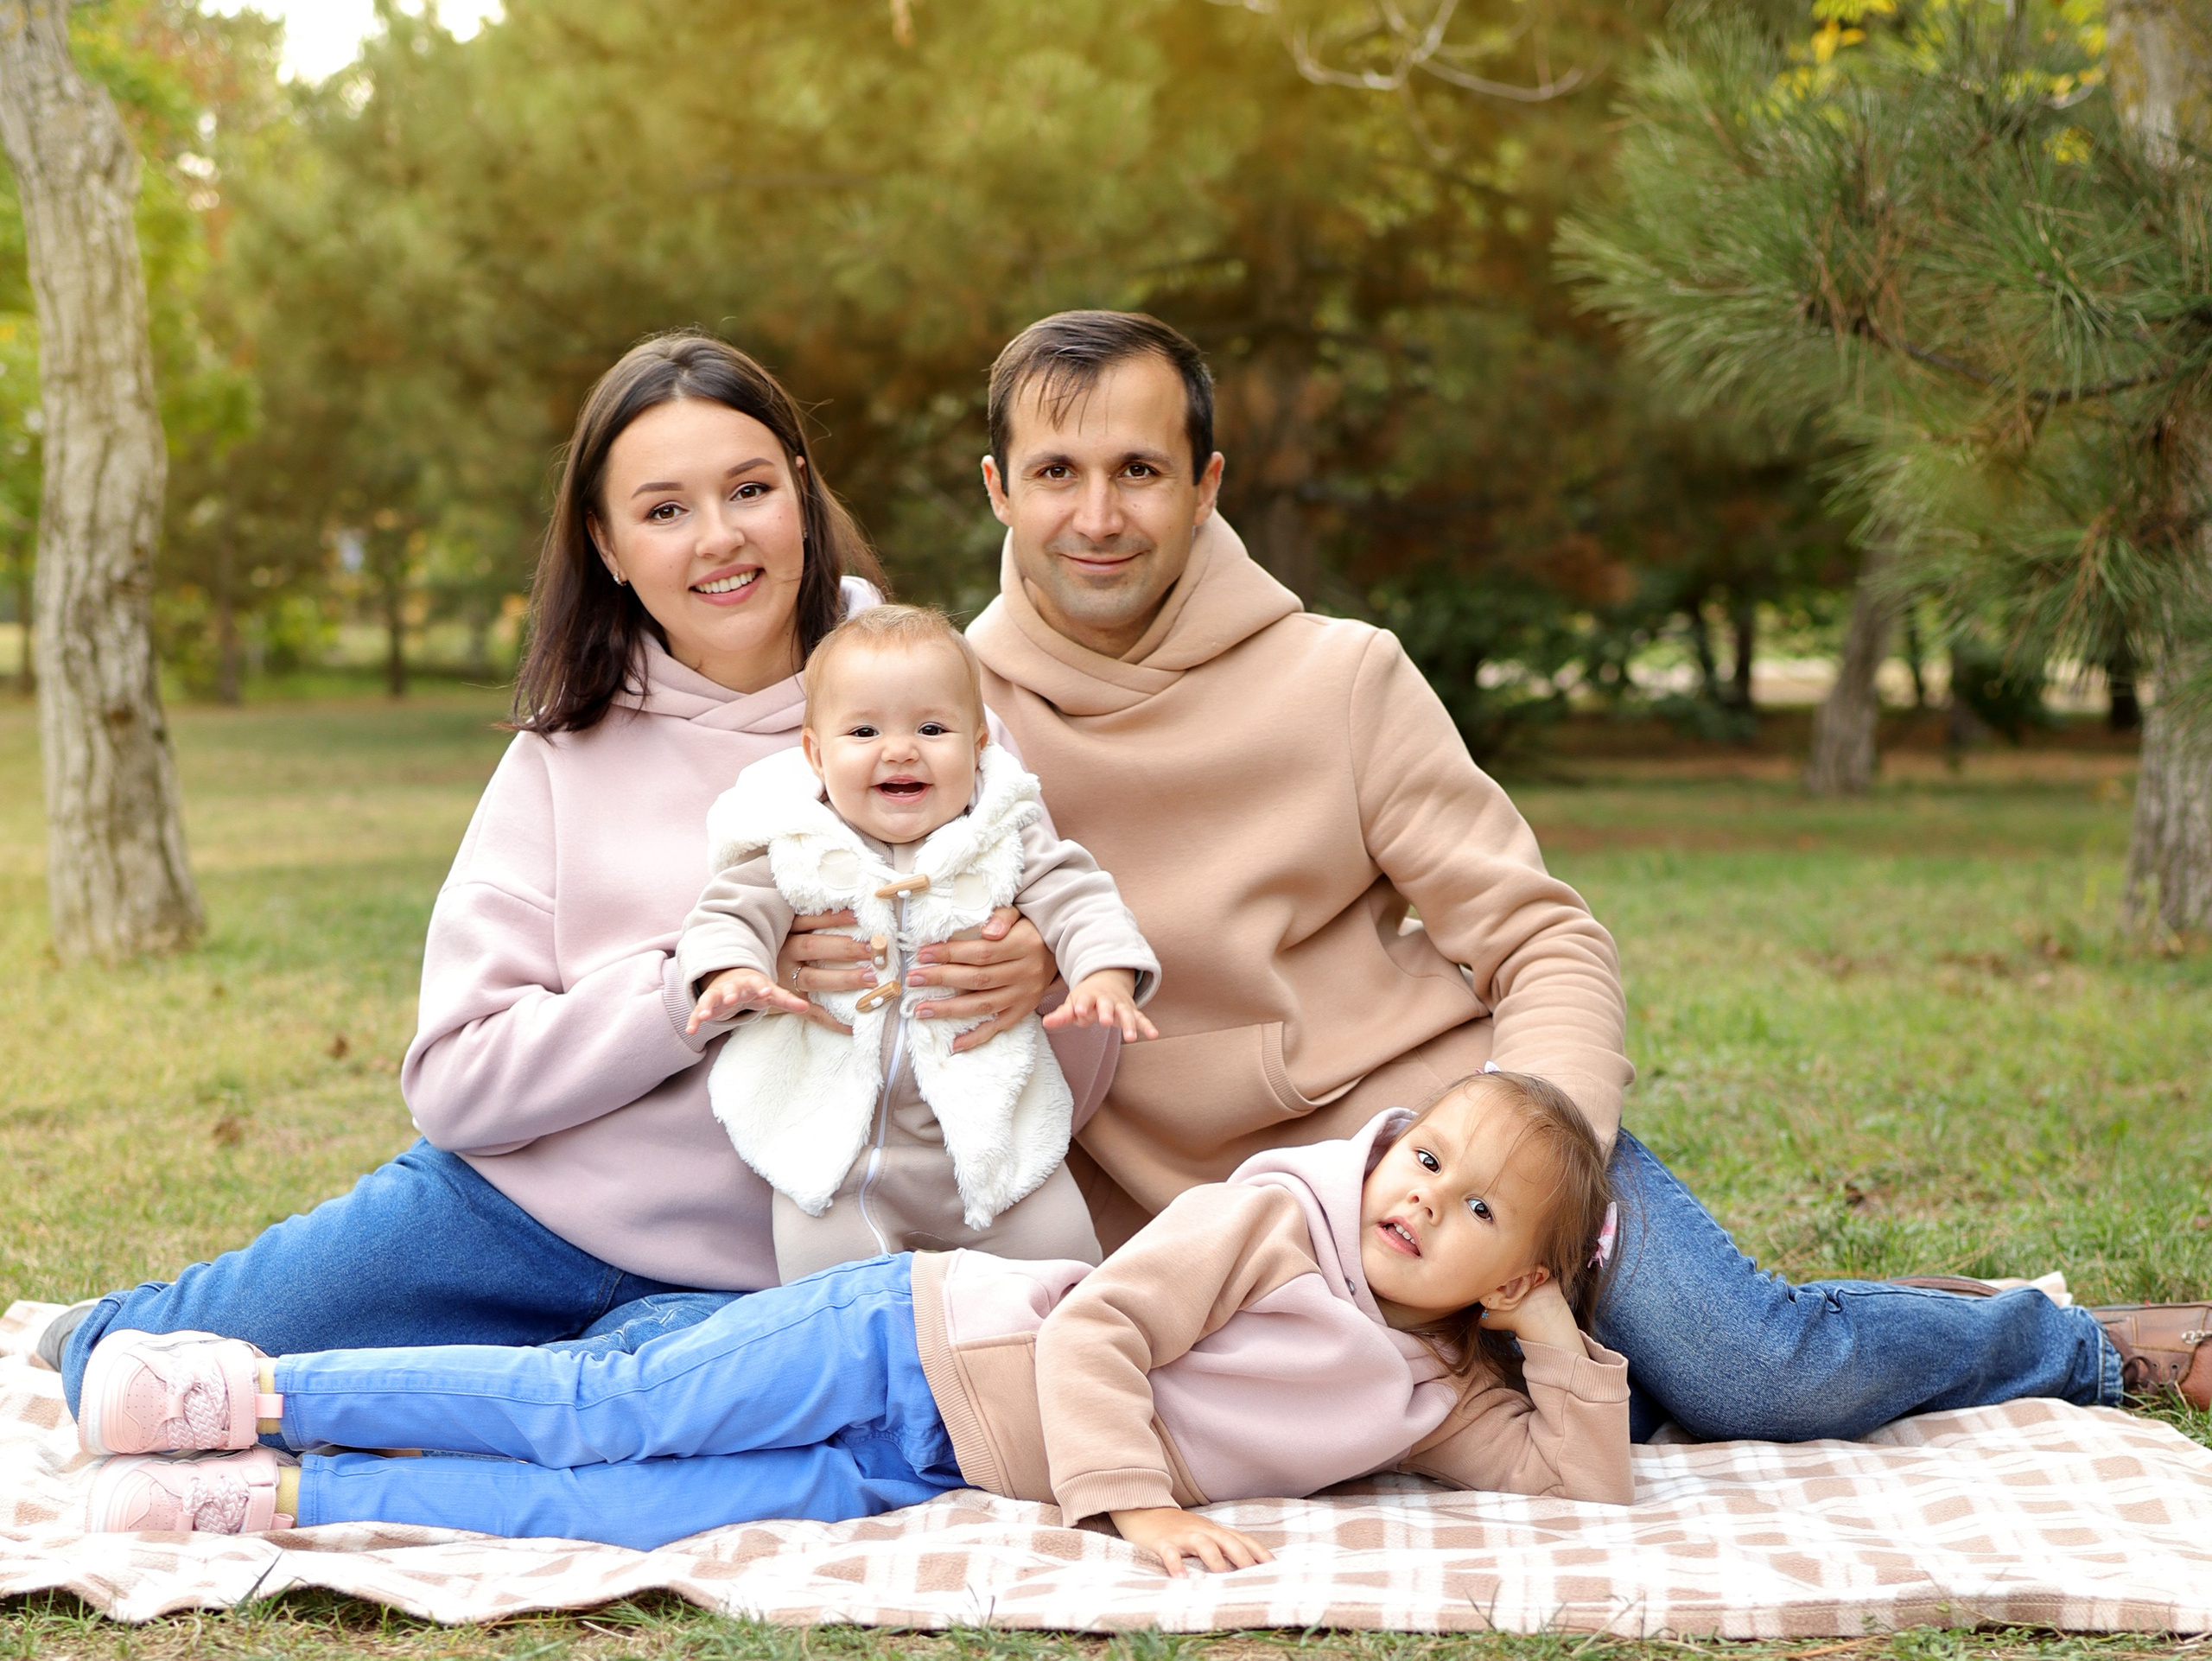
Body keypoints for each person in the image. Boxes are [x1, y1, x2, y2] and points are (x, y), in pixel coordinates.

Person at [961, 308, 2212, 1435]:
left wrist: (1533, 1149)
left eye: (1140, 470)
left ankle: (2082, 1340)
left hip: (1457, 1153)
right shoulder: (943, 716)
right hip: (1219, 1220)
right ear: (1000, 492)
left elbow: (1540, 936)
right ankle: (1849, 1314)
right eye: (1057, 473)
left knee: (1751, 1377)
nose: (1100, 515)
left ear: (1206, 484)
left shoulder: (1339, 676)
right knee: (1630, 1406)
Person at [43, 332, 1086, 1413]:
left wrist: (1041, 979)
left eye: (750, 489)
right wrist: (687, 985)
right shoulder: (559, 753)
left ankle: (510, 1389)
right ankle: (121, 1333)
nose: (720, 538)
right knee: (154, 1359)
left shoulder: (933, 720)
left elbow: (1064, 1071)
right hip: (503, 1217)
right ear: (609, 543)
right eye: (665, 508)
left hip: (748, 1276)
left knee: (609, 1416)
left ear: (802, 494)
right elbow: (452, 1082)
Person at [73, 1070, 1631, 1572]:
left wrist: (1548, 1338)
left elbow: (1580, 1484)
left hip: (921, 1461)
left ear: (1510, 1278)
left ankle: (267, 1498)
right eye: (1429, 1154)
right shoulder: (1278, 1221)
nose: (1421, 1196)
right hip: (905, 1334)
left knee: (622, 1520)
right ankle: (250, 1389)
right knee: (605, 1408)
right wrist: (1138, 1504)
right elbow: (1097, 1336)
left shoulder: (1432, 1390)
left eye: (1479, 1211)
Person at [679, 604, 1159, 1279]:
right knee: (828, 1317)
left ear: (980, 746)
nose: (899, 749)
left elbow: (1081, 898)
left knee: (1070, 1283)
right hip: (835, 1161)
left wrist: (1105, 974)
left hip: (993, 1150)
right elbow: (726, 913)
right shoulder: (796, 847)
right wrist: (730, 973)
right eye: (864, 730)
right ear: (816, 753)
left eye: (932, 728)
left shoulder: (1003, 840)